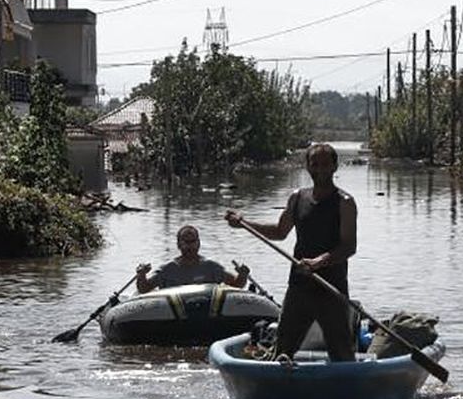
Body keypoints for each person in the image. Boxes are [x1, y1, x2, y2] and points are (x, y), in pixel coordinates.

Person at [226, 143, 357, 361]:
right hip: (299, 287)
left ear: (335, 167)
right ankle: (279, 384)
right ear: (307, 167)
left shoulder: (345, 203)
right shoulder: (298, 197)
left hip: (331, 288)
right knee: (283, 349)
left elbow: (348, 247)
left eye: (325, 164)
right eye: (315, 164)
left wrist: (317, 263)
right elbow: (279, 232)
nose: (320, 170)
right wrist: (244, 223)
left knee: (342, 352)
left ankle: (347, 387)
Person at [135, 224, 250, 293]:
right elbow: (144, 289)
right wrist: (141, 275)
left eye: (193, 242)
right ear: (179, 245)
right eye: (186, 242)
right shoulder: (168, 269)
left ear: (198, 243)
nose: (190, 246)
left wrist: (243, 274)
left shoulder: (211, 267)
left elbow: (237, 284)